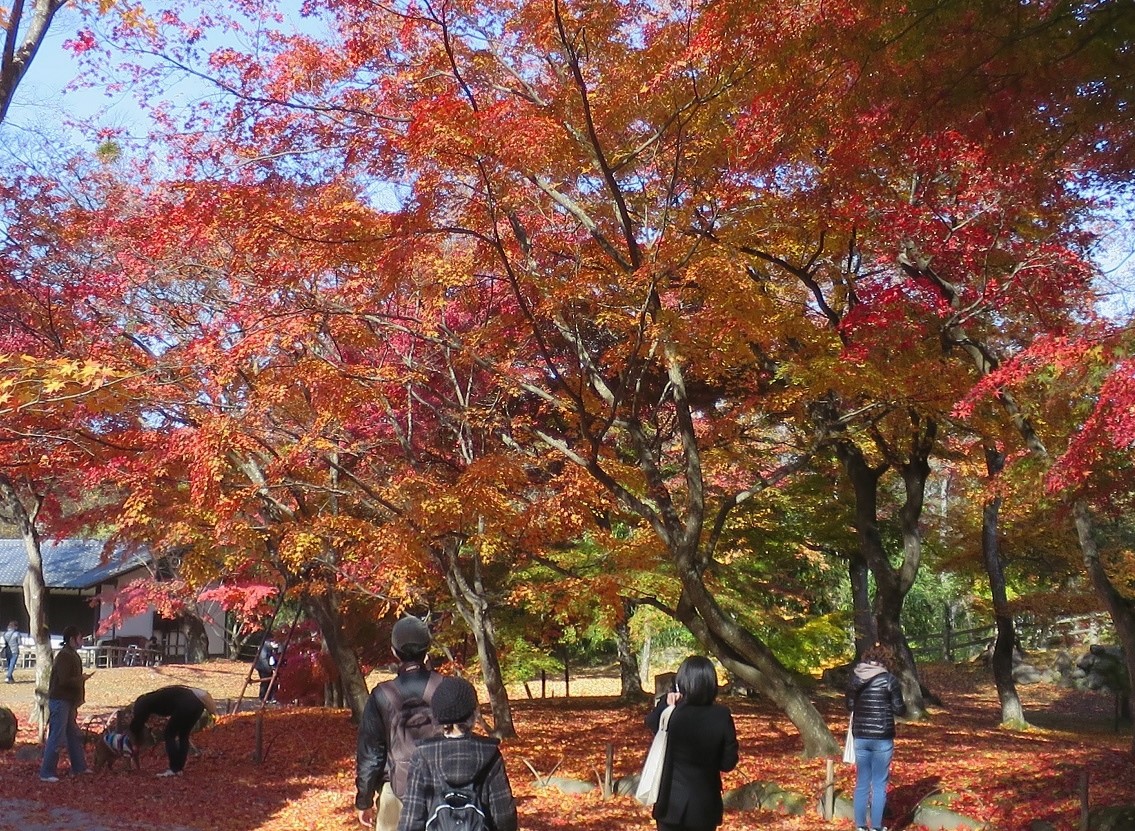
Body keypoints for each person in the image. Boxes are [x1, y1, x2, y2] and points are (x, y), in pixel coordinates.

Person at [395, 675, 517, 831]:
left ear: (437, 716)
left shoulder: (423, 756)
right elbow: (504, 815)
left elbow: (412, 818)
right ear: (474, 714)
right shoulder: (489, 754)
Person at [356, 615, 444, 830]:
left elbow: (371, 754)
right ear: (427, 648)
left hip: (394, 792)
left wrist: (364, 800)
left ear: (394, 651)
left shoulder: (381, 695)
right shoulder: (446, 688)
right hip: (444, 790)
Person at [645, 655, 739, 831]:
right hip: (704, 806)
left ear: (682, 682)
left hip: (670, 804)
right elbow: (728, 763)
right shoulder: (722, 715)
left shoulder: (672, 714)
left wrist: (666, 702)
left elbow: (650, 722)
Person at [846, 643, 907, 831]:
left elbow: (849, 705)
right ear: (885, 661)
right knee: (879, 784)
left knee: (862, 782)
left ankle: (860, 826)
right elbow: (899, 709)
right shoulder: (889, 680)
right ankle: (877, 827)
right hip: (882, 736)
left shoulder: (855, 679)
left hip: (861, 736)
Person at [39, 625, 94, 781]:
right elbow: (64, 680)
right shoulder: (64, 656)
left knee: (73, 734)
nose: (82, 641)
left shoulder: (72, 655)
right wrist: (81, 679)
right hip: (60, 700)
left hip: (68, 700)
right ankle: (47, 772)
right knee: (57, 735)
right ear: (72, 639)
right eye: (80, 638)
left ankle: (79, 767)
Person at [129, 684, 218, 777]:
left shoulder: (142, 703)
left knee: (169, 734)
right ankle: (179, 768)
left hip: (185, 705)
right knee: (184, 735)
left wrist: (135, 743)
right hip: (198, 706)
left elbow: (136, 724)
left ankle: (174, 769)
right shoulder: (154, 697)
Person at [255, 637, 280, 703]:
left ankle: (270, 697)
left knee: (273, 681)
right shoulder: (265, 647)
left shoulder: (272, 648)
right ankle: (262, 697)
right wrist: (270, 669)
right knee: (265, 681)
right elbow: (263, 659)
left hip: (270, 666)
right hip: (262, 667)